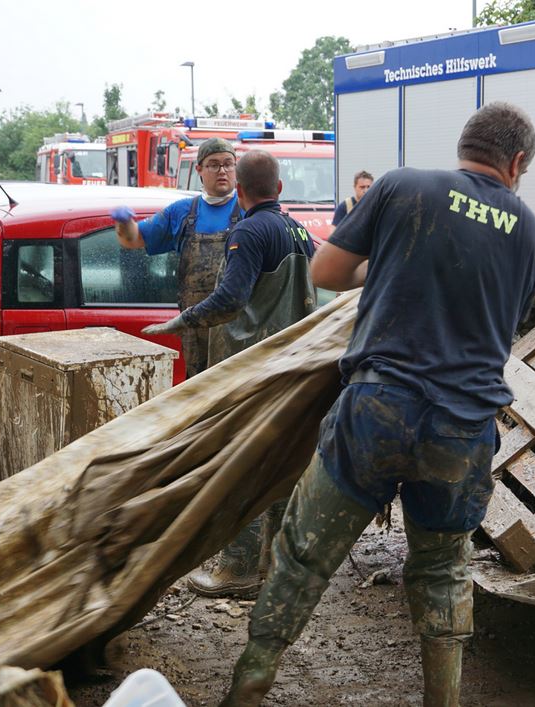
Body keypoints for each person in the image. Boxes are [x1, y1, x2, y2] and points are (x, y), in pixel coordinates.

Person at [221, 102, 535, 707]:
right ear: (518, 161)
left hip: (378, 409)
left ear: (464, 144)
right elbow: (506, 323)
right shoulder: (532, 232)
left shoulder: (403, 186)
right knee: (444, 569)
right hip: (464, 426)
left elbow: (326, 272)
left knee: (302, 556)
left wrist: (386, 263)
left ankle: (248, 689)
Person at [143, 149, 318, 599]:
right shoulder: (298, 230)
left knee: (242, 465)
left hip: (252, 366)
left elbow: (229, 300)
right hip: (292, 366)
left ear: (239, 191)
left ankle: (237, 568)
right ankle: (276, 566)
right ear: (279, 189)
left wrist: (180, 321)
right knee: (282, 466)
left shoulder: (249, 231)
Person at [111, 137, 243, 378]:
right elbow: (132, 239)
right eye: (213, 164)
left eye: (228, 164)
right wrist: (123, 223)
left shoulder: (248, 210)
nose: (222, 170)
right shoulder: (181, 212)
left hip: (239, 328)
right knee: (199, 394)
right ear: (199, 170)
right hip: (194, 328)